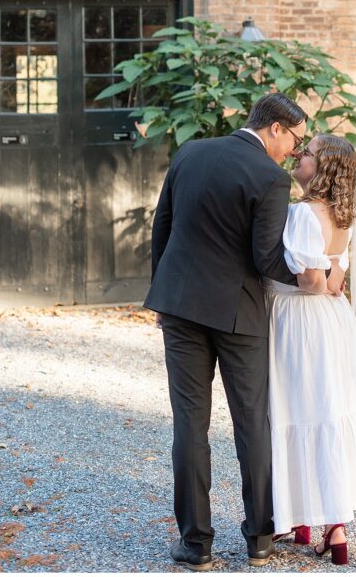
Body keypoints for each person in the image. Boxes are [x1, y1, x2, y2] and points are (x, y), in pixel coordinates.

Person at [145, 93, 308, 571]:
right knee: (251, 424)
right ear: (276, 128)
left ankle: (195, 545)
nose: (294, 152)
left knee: (189, 425)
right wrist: (315, 277)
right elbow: (267, 260)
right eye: (295, 141)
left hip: (179, 308)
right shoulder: (270, 178)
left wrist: (165, 293)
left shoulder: (190, 152)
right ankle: (259, 539)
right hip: (239, 315)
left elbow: (163, 227)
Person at [265, 133, 356, 566]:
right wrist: (330, 272)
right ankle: (332, 528)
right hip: (332, 325)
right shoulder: (345, 215)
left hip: (300, 320)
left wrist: (321, 275)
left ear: (322, 168)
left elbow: (313, 283)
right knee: (326, 411)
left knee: (295, 411)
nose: (300, 155)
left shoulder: (303, 213)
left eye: (309, 153)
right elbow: (335, 277)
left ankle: (296, 517)